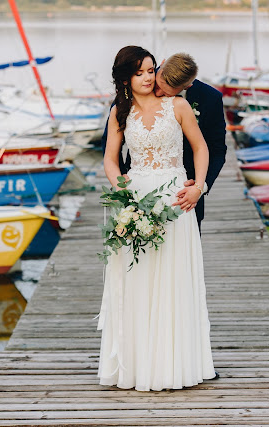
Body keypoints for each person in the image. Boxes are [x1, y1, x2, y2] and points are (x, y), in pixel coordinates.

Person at [97, 46, 216, 391]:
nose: (149, 78)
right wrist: (123, 192)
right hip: (136, 199)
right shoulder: (119, 112)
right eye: (140, 73)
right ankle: (138, 364)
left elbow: (201, 147)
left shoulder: (177, 106)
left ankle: (172, 364)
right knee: (138, 280)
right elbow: (110, 158)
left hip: (176, 199)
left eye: (152, 70)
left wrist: (199, 187)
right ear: (125, 79)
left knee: (172, 279)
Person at [101, 52, 227, 232]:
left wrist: (200, 187)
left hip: (184, 195)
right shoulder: (142, 83)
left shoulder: (209, 98)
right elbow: (110, 146)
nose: (156, 91)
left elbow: (216, 150)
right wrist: (121, 185)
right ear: (160, 65)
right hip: (137, 189)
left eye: (166, 91)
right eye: (157, 84)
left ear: (187, 86)